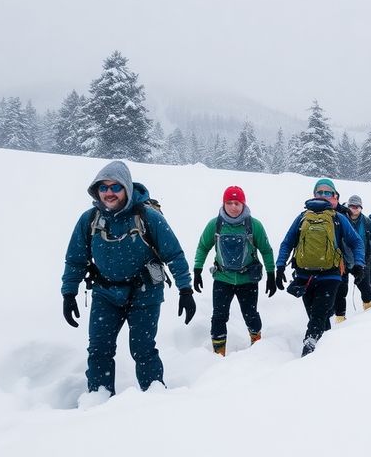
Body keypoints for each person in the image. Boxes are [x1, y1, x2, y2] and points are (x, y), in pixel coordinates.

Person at [60, 160, 195, 395]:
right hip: (105, 293)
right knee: (99, 349)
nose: (109, 193)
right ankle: (99, 399)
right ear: (97, 190)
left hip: (145, 292)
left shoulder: (148, 217)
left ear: (127, 188)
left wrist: (186, 290)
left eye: (115, 187)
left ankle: (154, 395)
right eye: (104, 187)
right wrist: (69, 293)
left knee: (143, 348)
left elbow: (174, 254)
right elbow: (75, 259)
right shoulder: (89, 219)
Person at [275, 178, 365, 356]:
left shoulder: (338, 218)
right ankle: (327, 350)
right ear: (314, 194)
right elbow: (287, 242)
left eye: (328, 192)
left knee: (317, 315)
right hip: (304, 276)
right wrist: (280, 267)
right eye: (320, 192)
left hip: (330, 276)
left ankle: (310, 347)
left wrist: (359, 264)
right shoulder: (302, 218)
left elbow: (357, 242)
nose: (324, 195)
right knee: (318, 317)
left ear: (334, 196)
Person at [192, 186, 277, 356]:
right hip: (222, 278)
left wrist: (271, 275)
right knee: (219, 317)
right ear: (223, 204)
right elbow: (203, 247)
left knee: (251, 315)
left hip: (248, 280)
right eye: (229, 202)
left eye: (237, 203)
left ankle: (257, 345)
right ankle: (218, 353)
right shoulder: (215, 225)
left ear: (243, 204)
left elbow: (266, 250)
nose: (233, 207)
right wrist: (197, 270)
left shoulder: (254, 225)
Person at [333, 194, 371, 322]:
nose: (354, 209)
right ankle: (340, 319)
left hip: (361, 261)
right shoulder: (340, 218)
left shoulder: (366, 222)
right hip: (342, 261)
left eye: (357, 207)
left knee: (365, 289)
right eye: (351, 206)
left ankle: (369, 313)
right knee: (340, 291)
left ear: (361, 208)